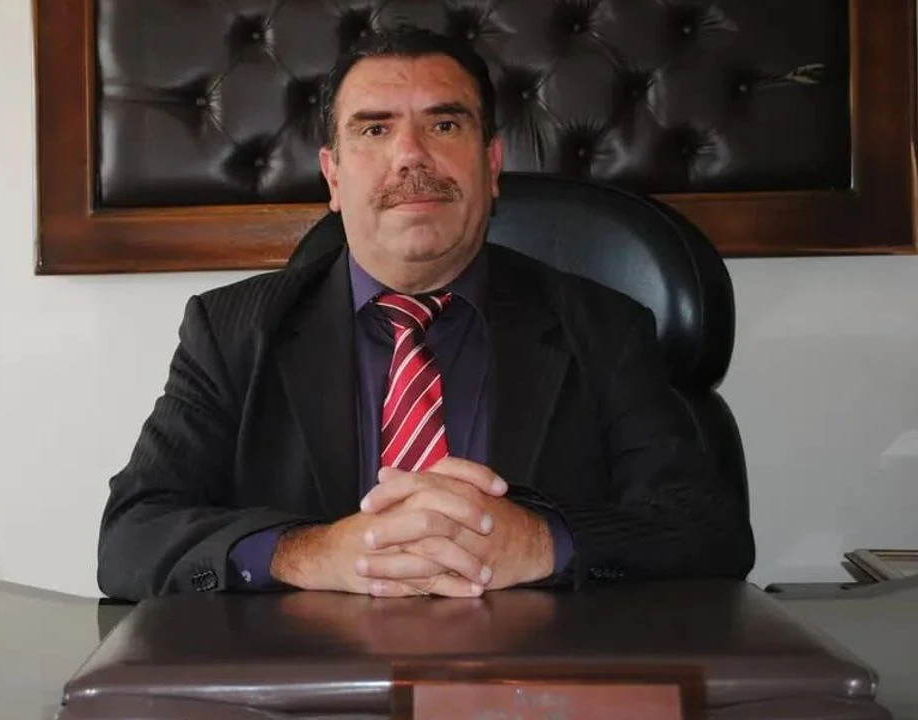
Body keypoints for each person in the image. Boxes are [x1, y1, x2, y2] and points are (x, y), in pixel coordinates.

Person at [96, 24, 755, 602]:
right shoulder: (231, 332)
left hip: (533, 678)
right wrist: (313, 553)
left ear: (491, 164)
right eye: (374, 129)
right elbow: (131, 536)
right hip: (315, 680)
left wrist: (539, 542)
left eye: (444, 125)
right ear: (333, 176)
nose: (411, 154)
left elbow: (709, 530)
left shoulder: (603, 327)